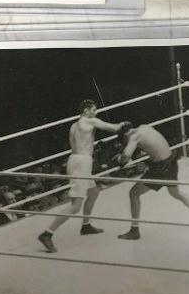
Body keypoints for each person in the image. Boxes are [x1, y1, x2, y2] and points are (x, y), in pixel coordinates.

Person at [37, 100, 126, 253]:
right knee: (76, 205)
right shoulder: (91, 121)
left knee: (93, 192)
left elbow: (73, 145)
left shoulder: (73, 126)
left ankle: (86, 225)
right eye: (94, 109)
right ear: (86, 110)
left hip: (75, 160)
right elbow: (114, 128)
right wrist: (125, 124)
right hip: (82, 163)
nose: (96, 112)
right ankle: (47, 233)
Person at [114, 122, 189, 240]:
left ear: (125, 135)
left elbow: (125, 157)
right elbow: (154, 147)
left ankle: (135, 231)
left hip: (160, 168)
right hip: (171, 161)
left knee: (133, 193)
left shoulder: (133, 137)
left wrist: (120, 158)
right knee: (176, 193)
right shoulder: (144, 127)